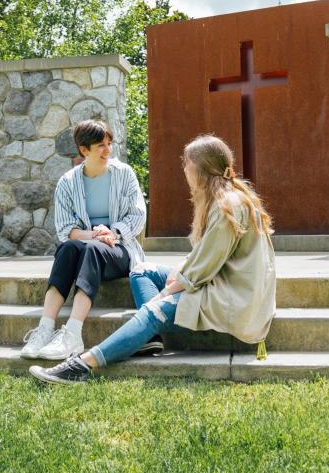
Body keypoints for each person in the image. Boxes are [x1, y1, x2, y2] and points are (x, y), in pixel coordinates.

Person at [29, 134, 276, 384]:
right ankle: (148, 338)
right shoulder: (222, 199)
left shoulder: (227, 207)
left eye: (187, 163)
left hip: (234, 297)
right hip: (220, 282)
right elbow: (205, 255)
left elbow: (202, 269)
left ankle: (81, 365)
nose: (184, 168)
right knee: (142, 270)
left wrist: (163, 295)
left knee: (154, 310)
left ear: (202, 168)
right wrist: (181, 268)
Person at [20, 119, 147, 360]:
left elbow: (138, 215)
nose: (107, 150)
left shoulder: (125, 174)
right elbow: (65, 229)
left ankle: (73, 334)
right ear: (83, 150)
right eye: (100, 145)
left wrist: (112, 233)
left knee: (93, 250)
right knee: (67, 248)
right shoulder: (67, 182)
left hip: (120, 248)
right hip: (86, 246)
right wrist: (94, 234)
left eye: (109, 143)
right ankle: (45, 330)